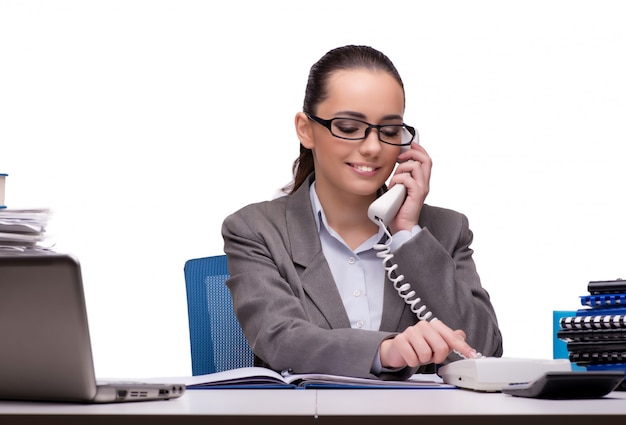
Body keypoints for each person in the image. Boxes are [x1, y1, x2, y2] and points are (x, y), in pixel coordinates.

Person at [221, 45, 503, 380]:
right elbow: (281, 339)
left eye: (388, 131)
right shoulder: (256, 230)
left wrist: (407, 235)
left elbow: (485, 348)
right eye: (350, 127)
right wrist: (385, 351)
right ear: (306, 129)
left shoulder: (444, 230)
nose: (372, 148)